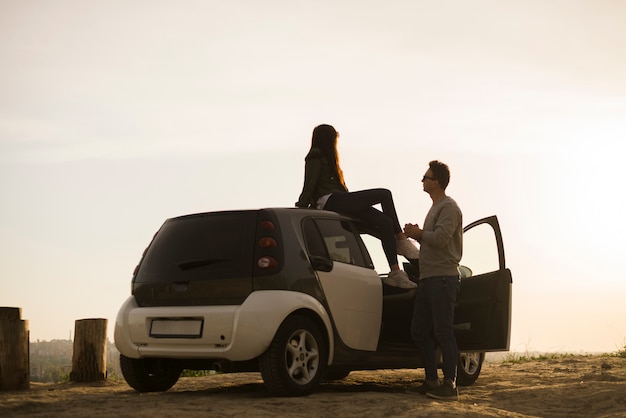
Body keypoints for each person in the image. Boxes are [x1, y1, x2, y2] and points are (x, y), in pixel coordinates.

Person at [295, 123, 419, 289]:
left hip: (341, 199)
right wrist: (300, 207)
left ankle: (395, 272)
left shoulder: (331, 159)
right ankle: (402, 240)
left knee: (385, 223)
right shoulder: (316, 156)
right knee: (384, 194)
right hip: (330, 201)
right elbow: (309, 185)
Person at [403, 160, 463, 401]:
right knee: (419, 330)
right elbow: (434, 240)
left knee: (443, 332)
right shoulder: (436, 207)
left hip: (443, 279)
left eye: (426, 177)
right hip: (428, 279)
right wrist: (418, 235)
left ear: (436, 181)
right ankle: (431, 380)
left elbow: (440, 239)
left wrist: (419, 234)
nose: (423, 181)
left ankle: (450, 384)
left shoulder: (449, 207)